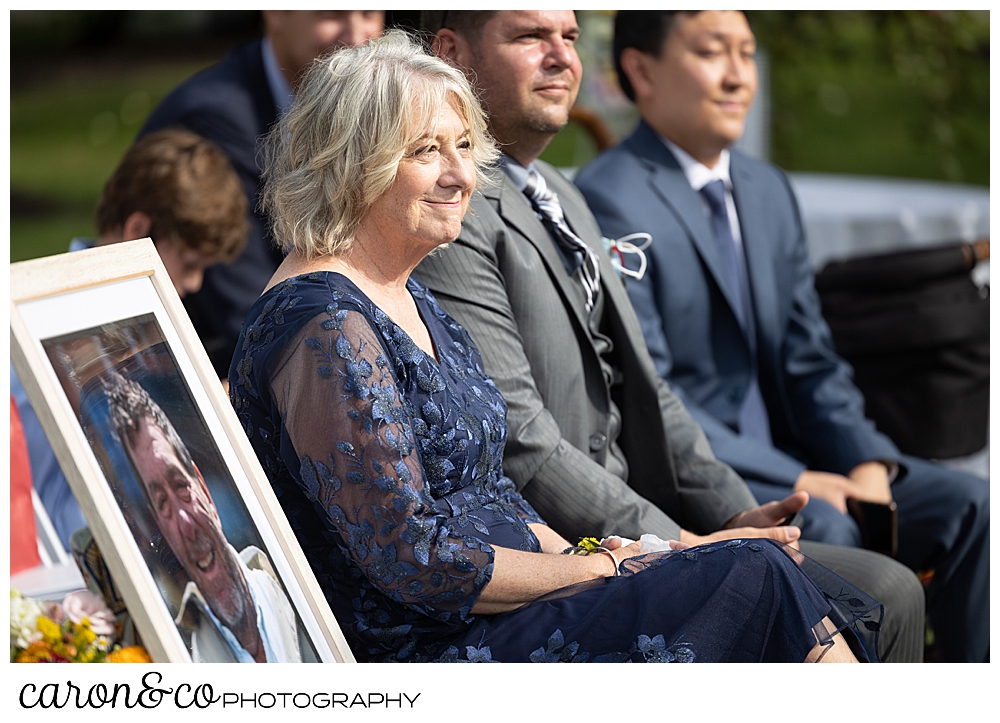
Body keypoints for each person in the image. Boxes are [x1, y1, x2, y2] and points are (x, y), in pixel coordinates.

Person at [229, 29, 880, 664]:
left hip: (513, 607)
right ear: (352, 163)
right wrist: (602, 569)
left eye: (464, 146)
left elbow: (494, 493)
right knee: (754, 575)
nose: (462, 174)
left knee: (777, 573)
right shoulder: (324, 324)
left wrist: (608, 556)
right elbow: (415, 561)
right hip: (437, 650)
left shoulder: (404, 292)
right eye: (427, 150)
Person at [412, 10, 925, 663]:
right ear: (453, 51)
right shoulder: (451, 207)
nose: (562, 57)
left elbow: (652, 392)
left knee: (889, 585)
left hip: (646, 520)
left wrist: (744, 516)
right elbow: (523, 441)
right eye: (530, 37)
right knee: (880, 589)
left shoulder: (562, 195)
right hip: (567, 549)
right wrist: (679, 542)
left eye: (569, 38)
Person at [574, 10, 989, 663]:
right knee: (828, 525)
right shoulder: (608, 198)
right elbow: (654, 391)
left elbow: (810, 359)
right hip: (711, 473)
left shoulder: (767, 188)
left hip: (809, 459)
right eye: (714, 51)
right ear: (640, 69)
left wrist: (865, 459)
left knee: (972, 505)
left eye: (747, 51)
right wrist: (799, 476)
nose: (740, 75)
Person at [11, 128, 248, 551]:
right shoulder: (40, 318)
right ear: (138, 229)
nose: (193, 284)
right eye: (189, 263)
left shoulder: (149, 322)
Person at [140, 10, 385, 377]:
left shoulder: (368, 108)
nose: (355, 35)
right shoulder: (215, 121)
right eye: (332, 14)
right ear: (276, 12)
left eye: (369, 13)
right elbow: (253, 317)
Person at [106, 372, 302, 663]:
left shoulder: (295, 591)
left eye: (182, 488)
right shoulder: (191, 661)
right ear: (160, 528)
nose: (185, 524)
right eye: (163, 505)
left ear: (204, 489)